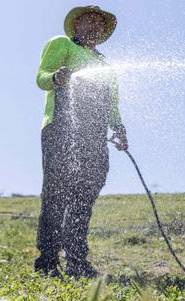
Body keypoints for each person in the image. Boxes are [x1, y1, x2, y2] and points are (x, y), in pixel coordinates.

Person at [34, 6, 128, 278]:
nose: (95, 26)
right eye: (90, 20)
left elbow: (112, 104)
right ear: (76, 24)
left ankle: (76, 261)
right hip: (61, 127)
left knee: (83, 198)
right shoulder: (60, 44)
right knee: (56, 193)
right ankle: (48, 262)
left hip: (94, 135)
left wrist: (119, 127)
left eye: (100, 23)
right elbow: (41, 77)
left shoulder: (106, 66)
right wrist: (56, 77)